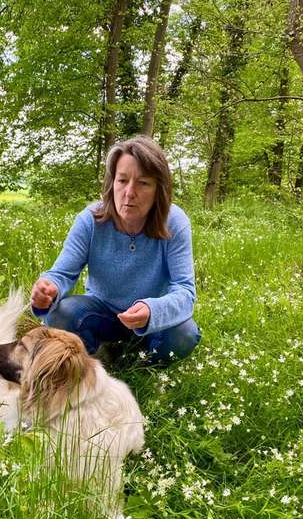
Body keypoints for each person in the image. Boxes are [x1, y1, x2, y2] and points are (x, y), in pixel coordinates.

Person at [30, 135, 201, 366]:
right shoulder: (90, 220)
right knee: (60, 312)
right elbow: (62, 274)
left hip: (152, 320)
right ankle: (96, 356)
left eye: (143, 183)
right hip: (101, 313)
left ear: (158, 190)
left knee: (185, 334)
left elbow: (185, 291)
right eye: (122, 181)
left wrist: (152, 310)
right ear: (112, 183)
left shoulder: (175, 222)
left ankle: (142, 366)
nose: (129, 193)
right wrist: (49, 289)